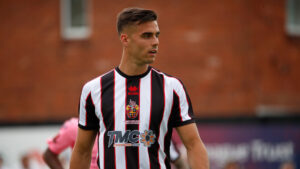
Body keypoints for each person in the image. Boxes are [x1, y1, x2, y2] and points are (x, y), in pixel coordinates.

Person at [70, 7, 209, 169]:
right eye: (147, 36)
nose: (155, 42)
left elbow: (193, 144)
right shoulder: (93, 90)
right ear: (125, 39)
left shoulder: (172, 87)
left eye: (156, 35)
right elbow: (82, 151)